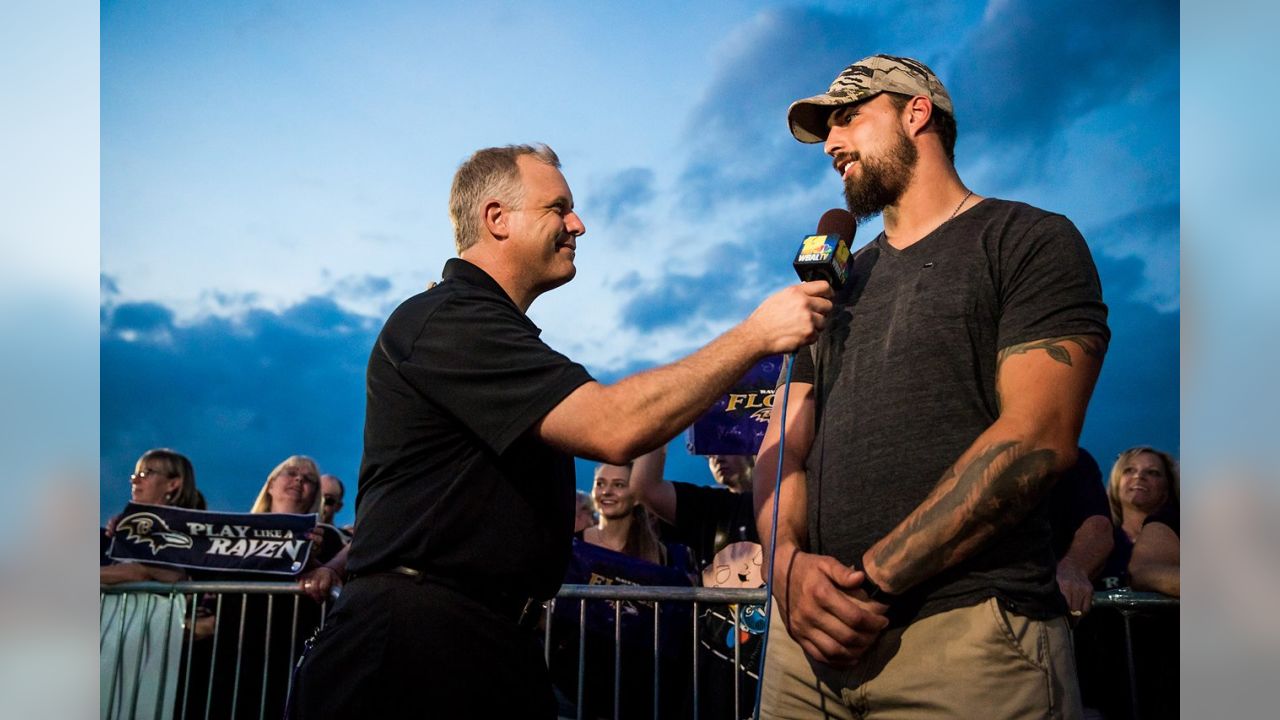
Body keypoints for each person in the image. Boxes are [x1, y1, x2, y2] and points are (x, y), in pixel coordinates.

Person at [289, 143, 832, 719]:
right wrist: (755, 335)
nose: (578, 224)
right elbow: (615, 424)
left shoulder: (499, 333)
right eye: (559, 207)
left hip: (490, 644)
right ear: (496, 218)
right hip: (414, 652)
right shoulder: (448, 321)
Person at [755, 55, 1109, 719]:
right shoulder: (834, 283)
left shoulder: (1024, 240)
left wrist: (871, 582)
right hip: (804, 651)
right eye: (827, 129)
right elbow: (783, 444)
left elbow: (1037, 437)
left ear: (918, 111)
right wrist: (788, 571)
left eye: (850, 118)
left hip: (969, 640)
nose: (832, 144)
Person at [632, 445, 764, 720]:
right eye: (709, 450)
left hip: (772, 677)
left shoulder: (795, 506)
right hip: (714, 679)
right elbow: (644, 486)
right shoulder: (711, 508)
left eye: (726, 444)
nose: (716, 456)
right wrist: (663, 415)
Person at [100, 448, 203, 584]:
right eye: (135, 475)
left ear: (172, 484)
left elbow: (169, 575)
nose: (135, 481)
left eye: (145, 474)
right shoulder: (113, 531)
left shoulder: (188, 533)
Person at [581, 462, 667, 564]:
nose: (606, 491)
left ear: (637, 496)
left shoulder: (657, 553)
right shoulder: (574, 544)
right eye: (600, 484)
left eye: (618, 485)